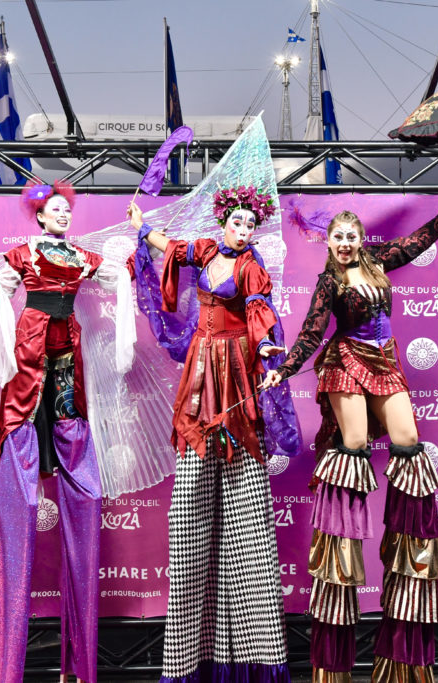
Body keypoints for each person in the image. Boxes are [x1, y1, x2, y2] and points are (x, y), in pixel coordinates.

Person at [262, 186, 438, 683]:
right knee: (354, 446)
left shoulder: (379, 261)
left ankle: (406, 576)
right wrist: (285, 367)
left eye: (350, 236)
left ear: (361, 238)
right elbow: (313, 332)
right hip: (347, 362)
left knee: (408, 443)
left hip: (386, 360)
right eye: (336, 236)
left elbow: (420, 240)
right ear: (329, 242)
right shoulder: (328, 281)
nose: (343, 243)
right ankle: (338, 567)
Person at [0, 181, 128, 683]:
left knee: (72, 428)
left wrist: (138, 247)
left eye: (67, 210)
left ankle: (79, 667)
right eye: (55, 210)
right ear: (40, 216)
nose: (63, 216)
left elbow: (117, 274)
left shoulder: (80, 256)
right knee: (24, 429)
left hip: (66, 347)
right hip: (30, 346)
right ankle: (7, 668)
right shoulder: (23, 253)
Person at [128, 185, 300, 683]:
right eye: (238, 223)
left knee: (242, 482)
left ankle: (251, 656)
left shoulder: (251, 268)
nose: (244, 231)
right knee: (191, 501)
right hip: (199, 364)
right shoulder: (205, 248)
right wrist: (142, 226)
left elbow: (260, 312)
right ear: (225, 221)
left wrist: (268, 349)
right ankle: (188, 659)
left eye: (251, 225)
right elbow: (171, 248)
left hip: (234, 368)